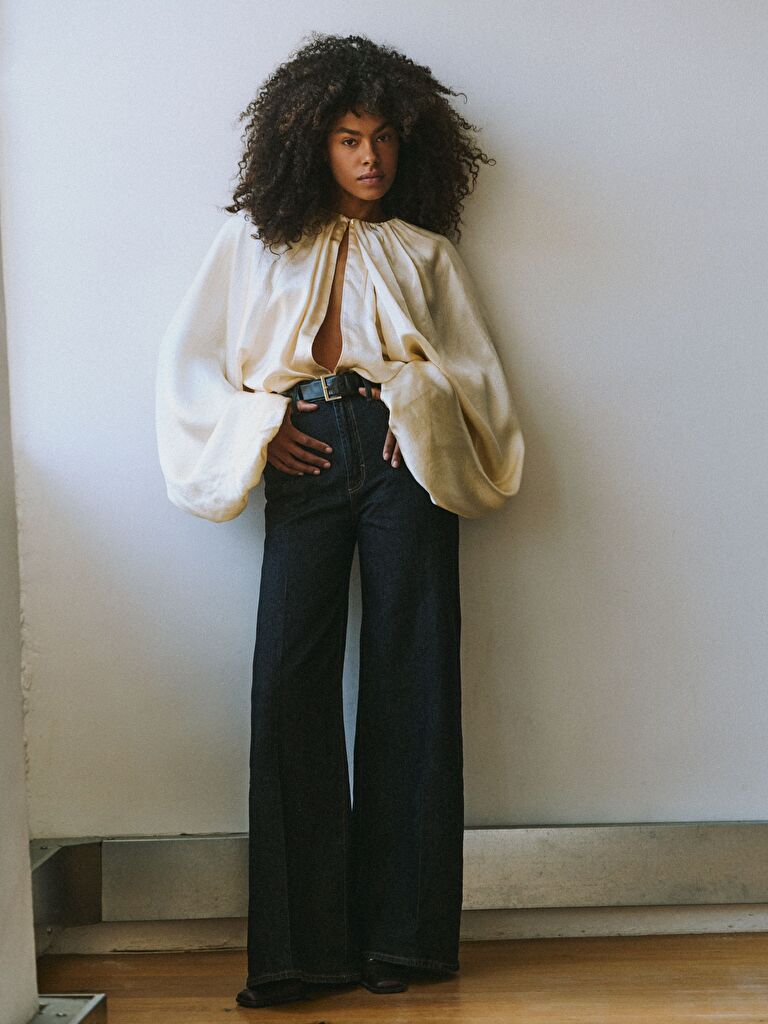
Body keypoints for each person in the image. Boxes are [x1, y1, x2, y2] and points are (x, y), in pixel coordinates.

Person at [155, 31, 525, 1010]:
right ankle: (299, 951)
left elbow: (478, 378)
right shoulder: (252, 243)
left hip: (405, 461)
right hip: (304, 452)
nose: (371, 157)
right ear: (310, 142)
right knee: (289, 679)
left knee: (415, 671)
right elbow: (190, 364)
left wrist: (424, 410)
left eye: (386, 137)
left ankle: (406, 938)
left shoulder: (427, 253)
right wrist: (258, 427)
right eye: (350, 138)